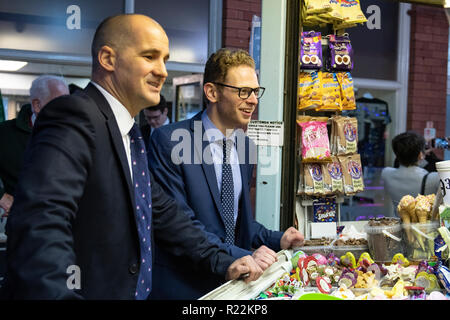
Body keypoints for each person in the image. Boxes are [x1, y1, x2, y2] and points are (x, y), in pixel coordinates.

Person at [3, 14, 262, 300]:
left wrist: (227, 261)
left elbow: (167, 216)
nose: (162, 71)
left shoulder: (130, 134)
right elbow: (41, 227)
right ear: (108, 59)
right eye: (149, 56)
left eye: (164, 59)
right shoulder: (75, 115)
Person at [148, 48, 305, 299]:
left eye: (255, 91)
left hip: (234, 287)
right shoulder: (170, 141)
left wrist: (279, 239)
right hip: (185, 287)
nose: (253, 100)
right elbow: (178, 226)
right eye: (243, 91)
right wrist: (236, 255)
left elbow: (238, 223)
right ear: (212, 92)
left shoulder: (245, 146)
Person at [0, 75, 69, 215]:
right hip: (23, 226)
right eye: (60, 103)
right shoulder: (4, 134)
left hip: (67, 225)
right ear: (37, 105)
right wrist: (1, 197)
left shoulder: (77, 134)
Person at [382, 131, 440, 215]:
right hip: (422, 226)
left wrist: (420, 154)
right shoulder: (433, 178)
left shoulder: (386, 173)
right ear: (421, 155)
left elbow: (405, 165)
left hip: (398, 223)